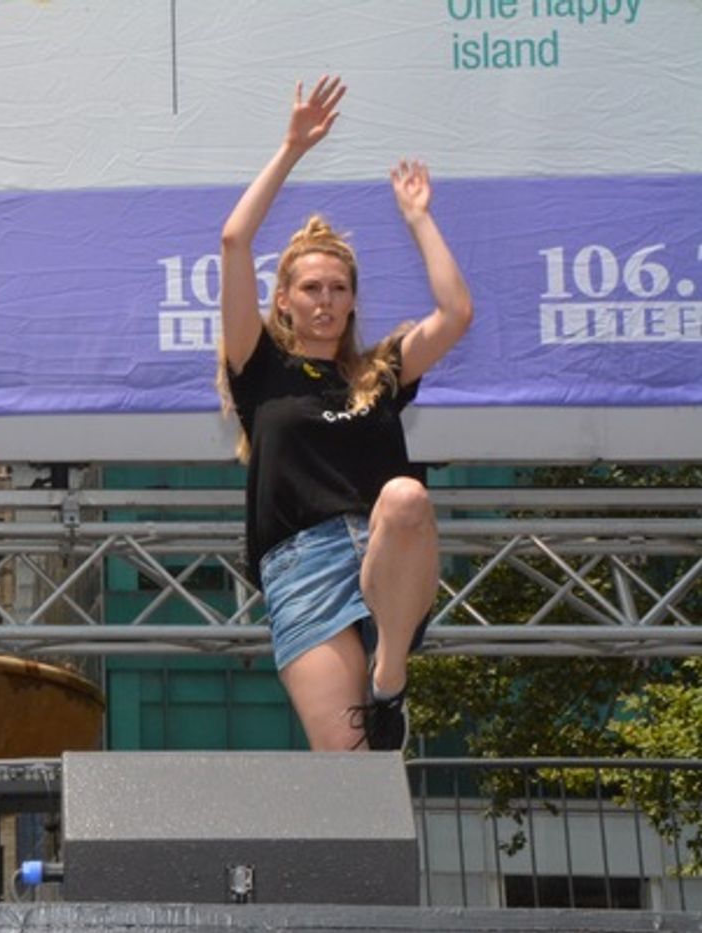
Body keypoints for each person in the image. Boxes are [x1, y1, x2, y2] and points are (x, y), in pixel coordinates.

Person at [217, 77, 472, 752]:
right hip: (302, 568)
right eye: (311, 288)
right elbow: (234, 241)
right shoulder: (259, 370)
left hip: (387, 560)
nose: (325, 300)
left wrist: (418, 218)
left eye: (338, 288)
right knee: (353, 773)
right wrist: (292, 147)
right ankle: (380, 714)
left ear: (354, 300)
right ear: (285, 300)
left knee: (407, 496)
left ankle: (390, 675)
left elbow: (456, 314)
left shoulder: (379, 372)